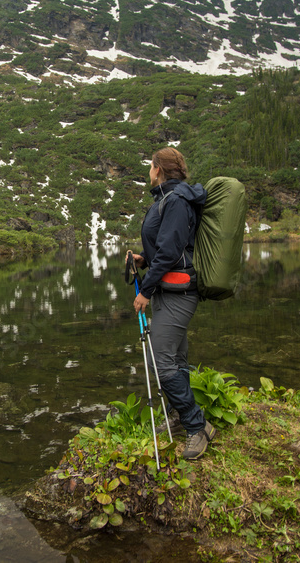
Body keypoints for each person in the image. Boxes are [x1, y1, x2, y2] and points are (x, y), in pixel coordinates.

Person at [131, 147, 215, 460]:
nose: (148, 171)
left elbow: (170, 252)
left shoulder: (177, 199)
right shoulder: (166, 198)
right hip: (169, 289)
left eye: (150, 165)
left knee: (162, 360)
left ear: (159, 169)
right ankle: (182, 415)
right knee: (176, 358)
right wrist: (143, 259)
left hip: (177, 292)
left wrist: (146, 290)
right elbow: (165, 249)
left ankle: (197, 427)